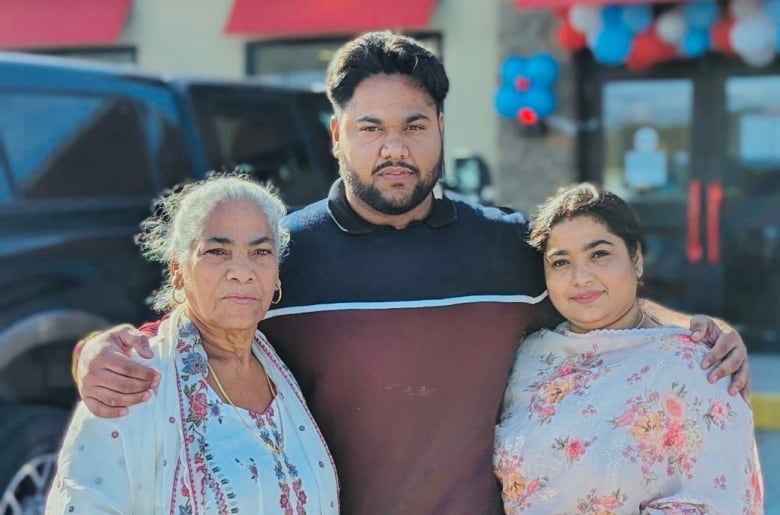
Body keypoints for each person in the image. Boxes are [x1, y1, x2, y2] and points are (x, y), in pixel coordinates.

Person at [71, 32, 749, 514]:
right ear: (336, 135)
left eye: (414, 125)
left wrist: (695, 328)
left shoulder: (508, 247)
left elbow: (598, 299)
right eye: (370, 128)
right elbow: (192, 322)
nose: (394, 147)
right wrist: (91, 352)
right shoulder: (281, 255)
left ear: (442, 128)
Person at [47, 176, 338, 514]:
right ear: (178, 271)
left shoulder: (284, 362)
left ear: (276, 273)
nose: (242, 272)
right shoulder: (130, 381)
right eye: (217, 251)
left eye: (260, 252)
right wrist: (88, 351)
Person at [494, 183, 763, 514]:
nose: (580, 277)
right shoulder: (527, 358)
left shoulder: (697, 364)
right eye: (561, 262)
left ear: (636, 260)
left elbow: (719, 502)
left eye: (599, 254)